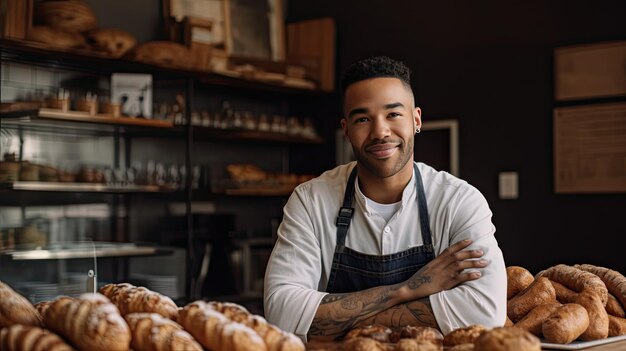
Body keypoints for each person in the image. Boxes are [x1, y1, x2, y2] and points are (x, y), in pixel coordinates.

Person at [263, 56, 507, 341]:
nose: (380, 132)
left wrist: (333, 318)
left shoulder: (459, 202)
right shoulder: (310, 201)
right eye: (363, 118)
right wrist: (407, 290)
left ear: (416, 119)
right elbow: (281, 313)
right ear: (346, 130)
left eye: (393, 114)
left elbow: (484, 313)